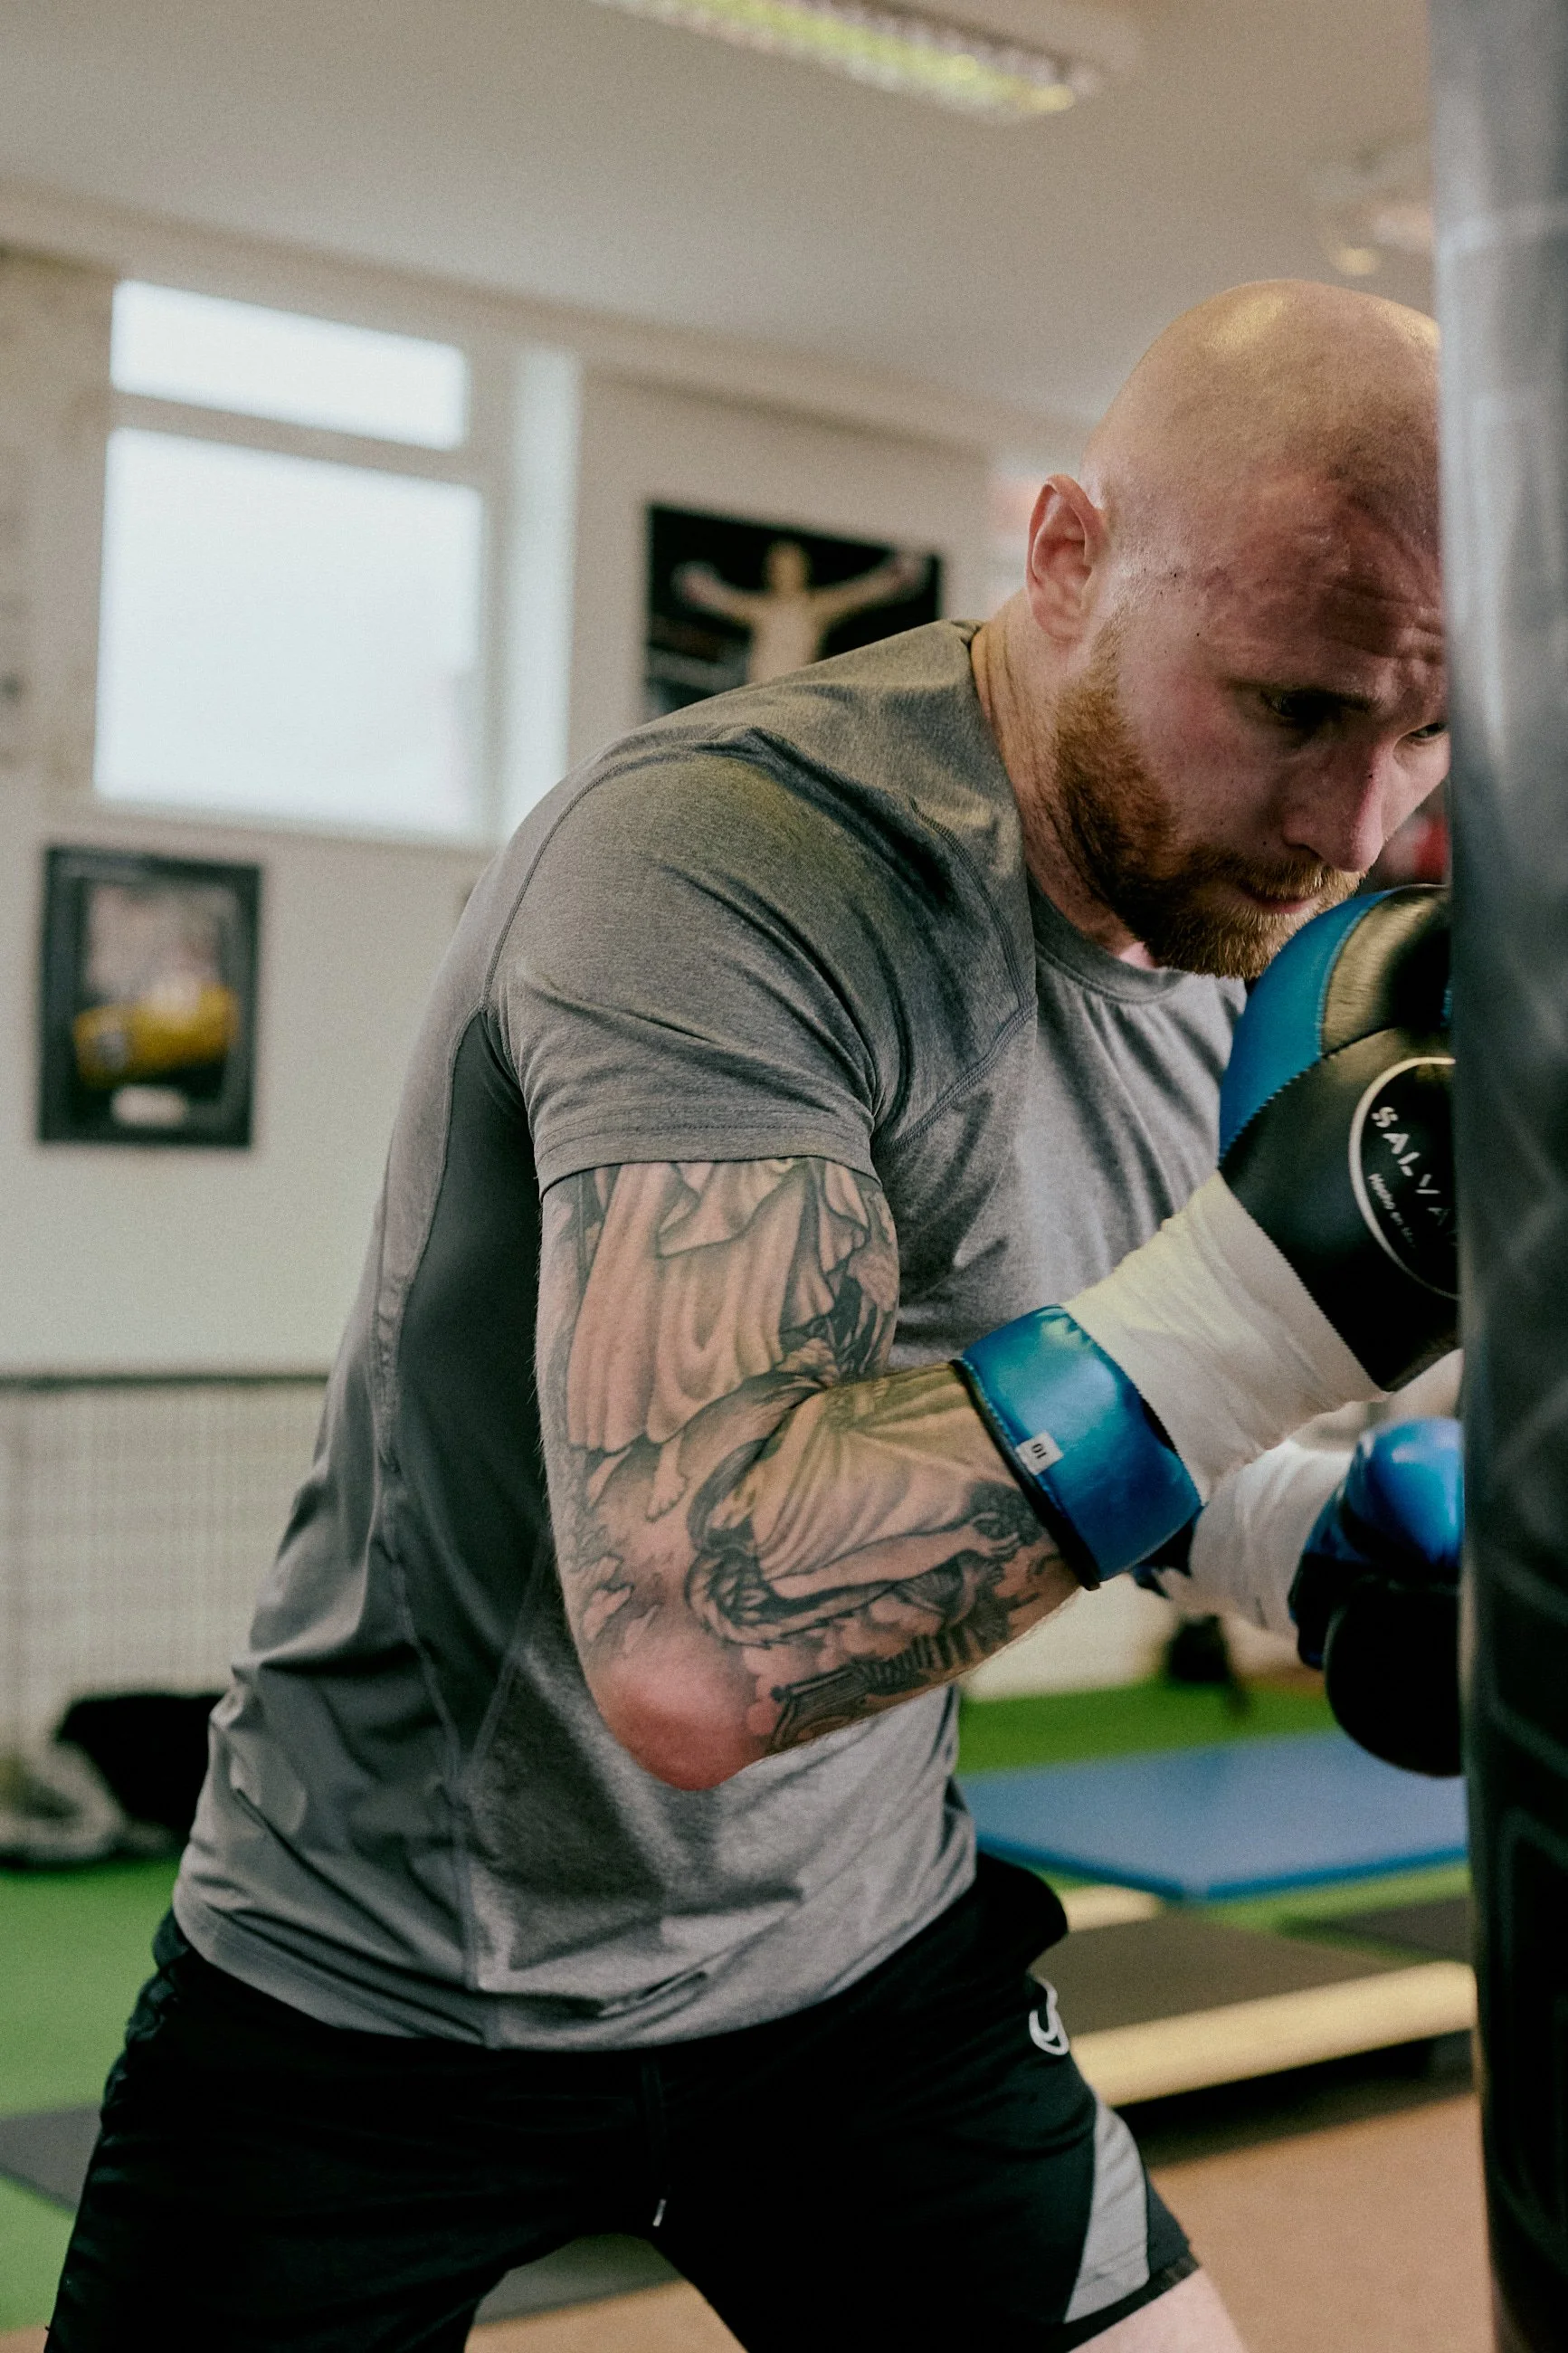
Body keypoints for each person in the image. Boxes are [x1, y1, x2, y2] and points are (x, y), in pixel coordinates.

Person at [51, 280, 1453, 2353]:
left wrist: (1309, 1531)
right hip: (377, 1977)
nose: (1347, 828)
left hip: (853, 1974)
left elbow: (1066, 1408)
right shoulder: (723, 864)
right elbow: (697, 1637)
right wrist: (1274, 1297)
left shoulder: (1231, 919)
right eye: (1285, 706)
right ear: (1061, 559)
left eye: (1413, 727)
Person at [674, 535, 930, 681]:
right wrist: (699, 588)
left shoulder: (814, 607)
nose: (782, 572)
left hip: (790, 695)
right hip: (753, 691)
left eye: (788, 565)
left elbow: (860, 593)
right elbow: (722, 599)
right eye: (776, 566)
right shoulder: (763, 608)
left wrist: (894, 579)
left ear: (802, 570)